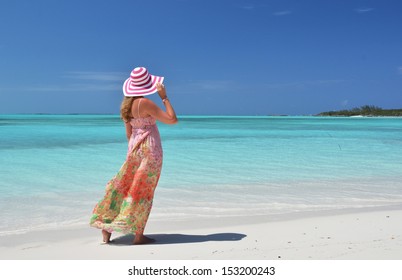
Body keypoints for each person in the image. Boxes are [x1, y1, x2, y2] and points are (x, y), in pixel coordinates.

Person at [90, 67, 177, 245]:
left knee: (123, 186)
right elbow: (172, 119)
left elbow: (129, 134)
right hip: (149, 151)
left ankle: (106, 230)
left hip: (133, 149)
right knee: (142, 190)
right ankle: (138, 235)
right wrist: (164, 97)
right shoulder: (145, 103)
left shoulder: (126, 106)